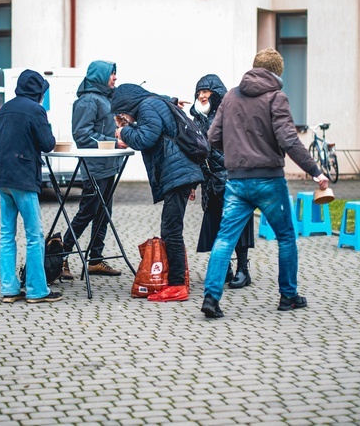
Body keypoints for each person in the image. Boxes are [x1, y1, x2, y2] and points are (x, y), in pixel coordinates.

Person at [200, 49, 330, 319]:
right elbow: (289, 140)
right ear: (276, 73)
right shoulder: (276, 97)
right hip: (270, 180)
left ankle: (211, 298)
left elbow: (212, 137)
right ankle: (288, 296)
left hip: (236, 181)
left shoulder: (230, 97)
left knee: (224, 239)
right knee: (285, 237)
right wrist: (315, 171)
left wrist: (237, 149)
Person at [111, 84, 204, 302]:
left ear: (127, 104)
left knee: (171, 230)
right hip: (180, 173)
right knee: (171, 228)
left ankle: (177, 285)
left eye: (121, 112)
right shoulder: (153, 103)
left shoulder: (147, 107)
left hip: (177, 174)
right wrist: (128, 125)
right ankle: (177, 279)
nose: (122, 116)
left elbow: (146, 138)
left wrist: (123, 131)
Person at [0, 69, 62, 304]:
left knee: (6, 234)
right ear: (37, 91)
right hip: (23, 177)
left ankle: (9, 288)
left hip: (3, 177)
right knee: (34, 235)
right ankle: (36, 290)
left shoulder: (5, 109)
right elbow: (48, 143)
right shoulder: (36, 110)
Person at [61, 60, 126, 279]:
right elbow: (81, 135)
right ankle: (61, 256)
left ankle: (95, 260)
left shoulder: (105, 98)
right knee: (87, 212)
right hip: (94, 167)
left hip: (108, 167)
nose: (115, 78)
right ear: (100, 76)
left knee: (104, 214)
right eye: (112, 74)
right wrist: (113, 142)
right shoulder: (88, 101)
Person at [190, 74, 255, 289]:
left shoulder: (229, 114)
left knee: (239, 224)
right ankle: (225, 267)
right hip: (210, 182)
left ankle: (243, 270)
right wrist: (194, 182)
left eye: (206, 92)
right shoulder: (197, 118)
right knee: (216, 224)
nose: (202, 96)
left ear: (216, 94)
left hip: (232, 177)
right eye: (199, 92)